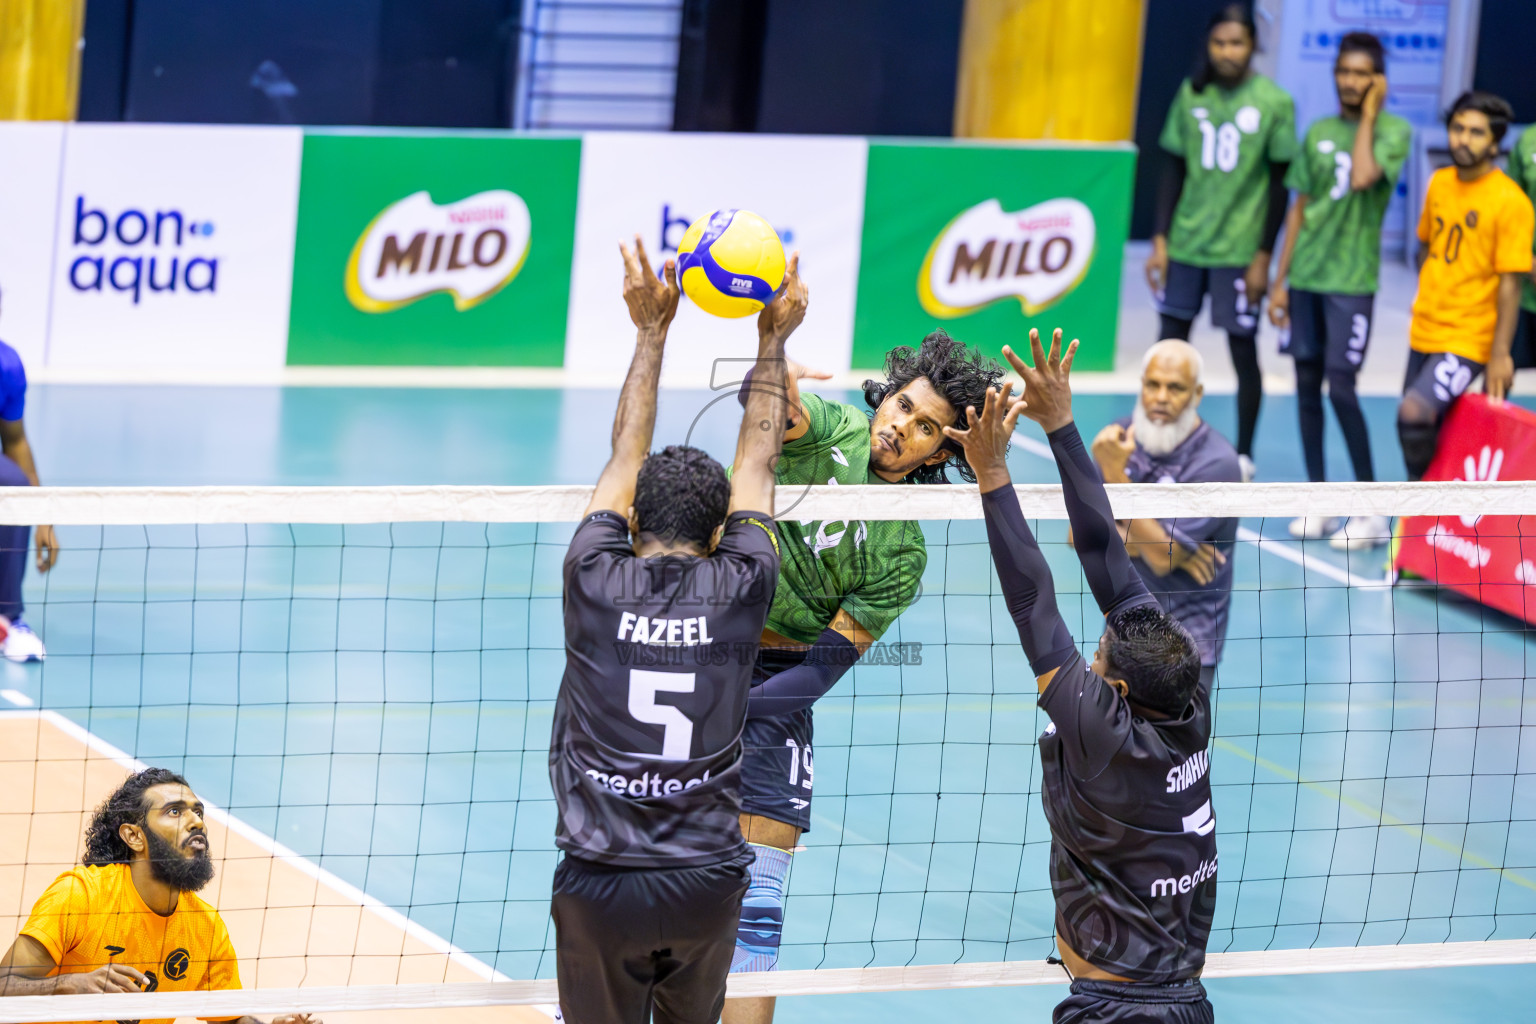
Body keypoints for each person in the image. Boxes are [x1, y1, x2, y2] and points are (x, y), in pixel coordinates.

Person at [548, 237, 804, 1024]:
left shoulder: (593, 575)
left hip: (603, 883)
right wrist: (773, 338)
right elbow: (759, 461)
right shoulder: (743, 586)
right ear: (725, 527)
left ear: (629, 519)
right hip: (705, 881)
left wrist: (651, 331)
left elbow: (627, 450)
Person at [724, 331, 1004, 1024]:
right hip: (707, 645)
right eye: (903, 406)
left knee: (755, 913)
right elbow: (768, 415)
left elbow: (818, 672)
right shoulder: (834, 428)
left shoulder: (903, 551)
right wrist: (772, 373)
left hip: (779, 683)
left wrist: (731, 712)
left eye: (925, 427)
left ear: (942, 450)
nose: (902, 427)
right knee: (651, 883)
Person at [946, 328, 1214, 1024]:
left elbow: (1035, 602)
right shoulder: (1184, 691)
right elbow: (1107, 558)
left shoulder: (1103, 734)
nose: (1091, 654)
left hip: (1112, 1009)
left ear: (1117, 694)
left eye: (1097, 659)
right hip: (1187, 1002)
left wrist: (994, 477)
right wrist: (1062, 425)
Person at [0, 767, 317, 1024]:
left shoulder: (205, 927)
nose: (196, 822)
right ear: (134, 836)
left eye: (198, 812)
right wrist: (71, 985)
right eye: (175, 811)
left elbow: (230, 1019)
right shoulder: (80, 895)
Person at [1268, 32, 1411, 549]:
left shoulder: (1393, 132)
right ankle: (1318, 497)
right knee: (1306, 387)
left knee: (1341, 387)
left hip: (1351, 283)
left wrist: (1371, 115)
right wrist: (1280, 283)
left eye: (1360, 74)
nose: (1349, 82)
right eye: (1343, 72)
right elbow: (1299, 208)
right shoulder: (1319, 131)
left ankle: (1372, 509)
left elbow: (1364, 176)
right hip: (1306, 278)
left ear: (1377, 80)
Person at [1147, 3, 1296, 482]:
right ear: (1208, 46)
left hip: (1238, 254)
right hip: (1188, 245)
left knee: (1242, 352)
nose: (1228, 52)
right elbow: (1172, 169)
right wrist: (1160, 239)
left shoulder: (1274, 102)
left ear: (1252, 46)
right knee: (1167, 350)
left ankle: (1244, 455)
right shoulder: (1191, 94)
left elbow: (1279, 186)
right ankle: (1157, 444)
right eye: (1220, 43)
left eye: (1237, 43)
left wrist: (1262, 257)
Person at [1399, 92, 1534, 482]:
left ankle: (1423, 506)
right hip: (1425, 327)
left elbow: (1511, 283)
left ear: (1494, 143)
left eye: (1476, 133)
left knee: (1413, 412)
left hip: (1469, 336)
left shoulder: (1511, 201)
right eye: (1458, 129)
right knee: (1424, 426)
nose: (1463, 139)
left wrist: (1500, 354)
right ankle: (1424, 523)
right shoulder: (1439, 183)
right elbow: (1427, 245)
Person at [1090, 340, 1237, 694]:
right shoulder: (1118, 439)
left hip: (1187, 647)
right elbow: (1080, 536)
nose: (1160, 397)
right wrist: (1155, 542)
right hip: (1122, 639)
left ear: (1197, 393)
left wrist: (1116, 479)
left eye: (1175, 388)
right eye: (1152, 384)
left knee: (1176, 751)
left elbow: (1160, 558)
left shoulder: (1216, 463)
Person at [0, 284, 59, 661]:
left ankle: (8, 619)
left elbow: (15, 440)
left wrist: (41, 514)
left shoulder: (6, 367)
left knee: (12, 482)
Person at [1506, 123, 1536, 371]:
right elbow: (1508, 207)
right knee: (1500, 373)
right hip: (1526, 289)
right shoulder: (1528, 140)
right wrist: (1528, 260)